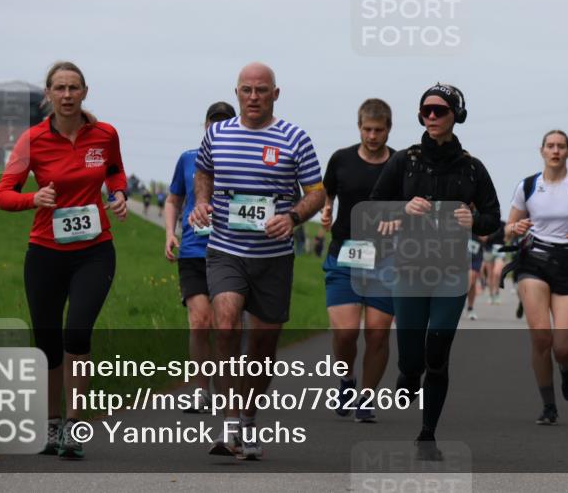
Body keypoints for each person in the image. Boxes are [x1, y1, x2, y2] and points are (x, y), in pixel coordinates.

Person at [189, 62, 325, 461]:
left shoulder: (295, 138)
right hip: (226, 249)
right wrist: (201, 201)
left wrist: (294, 216)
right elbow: (203, 173)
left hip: (274, 258)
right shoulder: (217, 134)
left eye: (261, 90)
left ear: (275, 94)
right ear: (236, 93)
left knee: (263, 348)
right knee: (226, 322)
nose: (253, 97)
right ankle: (231, 421)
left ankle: (248, 418)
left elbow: (317, 191)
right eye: (246, 90)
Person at [0, 61, 129, 459]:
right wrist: (32, 199)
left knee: (77, 333)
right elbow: (3, 194)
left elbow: (116, 171)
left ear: (85, 92)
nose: (67, 95)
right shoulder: (32, 141)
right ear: (49, 94)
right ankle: (51, 424)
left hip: (94, 250)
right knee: (49, 343)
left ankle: (74, 424)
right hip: (45, 254)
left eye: (74, 88)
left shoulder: (105, 135)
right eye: (60, 88)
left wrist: (119, 194)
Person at [370, 83, 500, 460]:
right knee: (412, 357)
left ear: (456, 115)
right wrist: (401, 209)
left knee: (438, 352)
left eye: (439, 110)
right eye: (425, 110)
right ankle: (408, 375)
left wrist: (473, 218)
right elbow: (374, 207)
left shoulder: (473, 168)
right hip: (410, 268)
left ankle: (427, 435)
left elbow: (493, 217)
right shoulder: (405, 161)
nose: (431, 117)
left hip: (451, 272)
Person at [502, 130, 568, 426]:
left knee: (563, 347)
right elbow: (509, 227)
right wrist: (515, 228)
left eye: (561, 146)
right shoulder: (529, 185)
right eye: (551, 146)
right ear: (542, 151)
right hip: (533, 260)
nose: (555, 151)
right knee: (541, 337)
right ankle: (548, 405)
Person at [320, 98, 396, 423]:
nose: (373, 136)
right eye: (367, 129)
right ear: (359, 127)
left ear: (388, 129)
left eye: (379, 130)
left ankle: (367, 397)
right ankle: (347, 380)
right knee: (346, 333)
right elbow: (327, 190)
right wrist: (326, 207)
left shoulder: (401, 163)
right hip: (344, 254)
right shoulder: (341, 159)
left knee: (377, 334)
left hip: (386, 260)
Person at [164, 101, 237, 412]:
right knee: (199, 321)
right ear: (206, 126)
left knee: (225, 325)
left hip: (231, 250)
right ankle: (200, 391)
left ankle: (230, 390)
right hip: (194, 250)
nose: (217, 129)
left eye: (224, 124)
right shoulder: (188, 159)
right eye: (213, 124)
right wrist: (170, 233)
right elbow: (173, 199)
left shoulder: (242, 161)